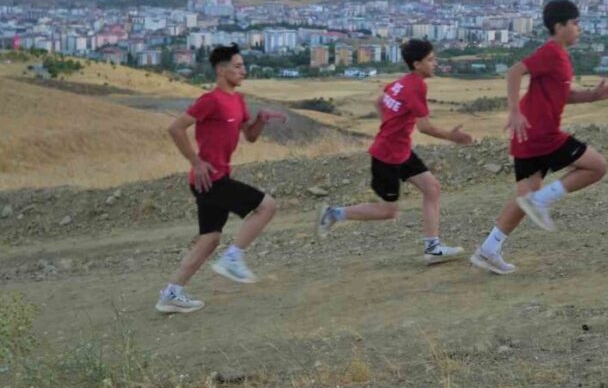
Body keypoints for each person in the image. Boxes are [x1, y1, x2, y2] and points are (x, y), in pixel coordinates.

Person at [470, 0, 608, 275]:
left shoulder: (561, 57)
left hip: (526, 137)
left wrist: (595, 95)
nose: (579, 28)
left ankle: (489, 249)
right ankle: (542, 199)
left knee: (524, 198)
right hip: (541, 134)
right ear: (559, 26)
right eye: (575, 23)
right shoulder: (551, 52)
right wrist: (514, 110)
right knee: (597, 166)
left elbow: (565, 95)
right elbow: (515, 71)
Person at [316, 39, 472, 265]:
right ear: (417, 64)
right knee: (388, 211)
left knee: (432, 188)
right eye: (430, 60)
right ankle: (332, 214)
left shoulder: (400, 82)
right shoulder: (416, 86)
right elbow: (424, 127)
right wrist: (452, 136)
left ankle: (433, 249)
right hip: (387, 156)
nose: (435, 63)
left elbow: (379, 100)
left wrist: (390, 127)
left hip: (400, 151)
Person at [156, 44, 286, 314]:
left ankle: (171, 294)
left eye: (243, 65)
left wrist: (261, 120)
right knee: (267, 206)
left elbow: (250, 136)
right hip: (210, 179)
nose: (243, 70)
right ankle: (233, 258)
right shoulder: (210, 100)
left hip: (215, 178)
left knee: (210, 239)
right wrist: (196, 162)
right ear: (221, 70)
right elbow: (175, 128)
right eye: (237, 66)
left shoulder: (238, 100)